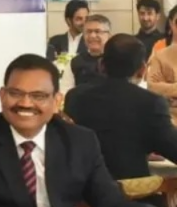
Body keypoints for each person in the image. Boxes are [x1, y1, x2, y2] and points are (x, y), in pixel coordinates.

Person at [0, 54, 177, 207]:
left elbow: (112, 204)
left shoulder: (80, 141)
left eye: (38, 96)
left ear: (56, 101)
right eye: (15, 93)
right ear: (2, 95)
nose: (25, 103)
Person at [64, 34, 177, 185]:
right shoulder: (151, 103)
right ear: (142, 69)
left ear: (101, 65)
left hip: (82, 190)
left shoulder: (75, 96)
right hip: (131, 192)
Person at [59, 14, 111, 95]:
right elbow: (65, 91)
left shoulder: (117, 60)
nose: (92, 36)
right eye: (88, 32)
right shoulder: (75, 62)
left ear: (109, 35)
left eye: (97, 31)